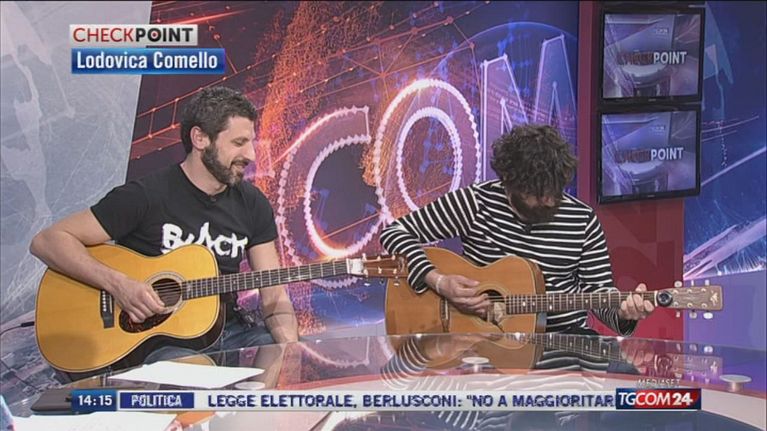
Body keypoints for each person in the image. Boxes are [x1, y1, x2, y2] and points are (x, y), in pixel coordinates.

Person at [30, 86, 298, 380]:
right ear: (200, 139)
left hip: (229, 333)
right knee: (187, 371)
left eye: (251, 143)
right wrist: (119, 285)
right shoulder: (145, 195)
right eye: (239, 143)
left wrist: (291, 351)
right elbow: (48, 242)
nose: (251, 154)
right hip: (161, 346)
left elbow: (274, 297)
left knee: (277, 350)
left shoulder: (253, 204)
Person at [379, 124, 654, 336]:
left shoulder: (582, 219)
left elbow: (599, 295)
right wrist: (438, 281)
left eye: (554, 191)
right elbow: (394, 232)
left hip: (564, 345)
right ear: (509, 184)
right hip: (483, 345)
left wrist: (625, 313)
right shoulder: (476, 202)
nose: (549, 201)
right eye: (536, 194)